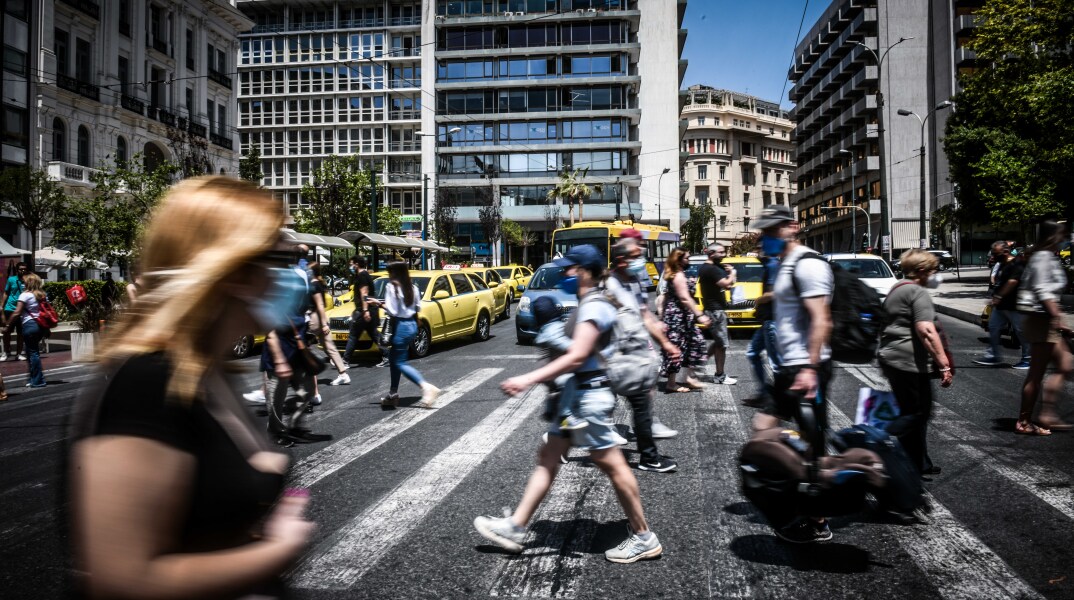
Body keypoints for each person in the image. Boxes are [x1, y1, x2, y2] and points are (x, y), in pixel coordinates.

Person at [66, 177, 315, 599]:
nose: (293, 275)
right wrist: (279, 550)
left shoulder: (211, 370)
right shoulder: (147, 382)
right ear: (236, 270)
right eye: (279, 257)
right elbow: (124, 579)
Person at [475, 244, 663, 563]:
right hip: (576, 397)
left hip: (589, 397)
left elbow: (577, 356)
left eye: (570, 268)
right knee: (548, 456)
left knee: (614, 465)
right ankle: (516, 527)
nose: (565, 273)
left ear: (585, 271)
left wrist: (528, 379)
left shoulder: (594, 306)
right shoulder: (589, 302)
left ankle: (644, 536)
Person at [754, 204, 834, 544]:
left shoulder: (809, 264)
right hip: (789, 367)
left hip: (806, 368)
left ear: (793, 227)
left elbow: (821, 319)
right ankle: (794, 499)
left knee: (810, 443)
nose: (767, 237)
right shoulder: (786, 263)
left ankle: (817, 518)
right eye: (765, 231)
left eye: (774, 230)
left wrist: (810, 368)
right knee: (767, 432)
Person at [606, 238, 681, 472]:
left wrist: (666, 344)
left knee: (639, 404)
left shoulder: (635, 281)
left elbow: (645, 315)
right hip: (614, 359)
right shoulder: (609, 286)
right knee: (601, 407)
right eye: (636, 255)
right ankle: (648, 457)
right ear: (621, 260)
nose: (641, 260)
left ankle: (648, 456)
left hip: (631, 359)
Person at [878, 249, 953, 484]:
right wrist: (943, 364)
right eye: (933, 270)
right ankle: (882, 448)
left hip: (896, 359)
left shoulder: (898, 287)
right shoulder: (917, 291)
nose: (935, 275)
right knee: (916, 414)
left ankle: (920, 462)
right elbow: (926, 330)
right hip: (906, 361)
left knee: (916, 413)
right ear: (921, 272)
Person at [261, 249, 329, 447]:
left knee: (307, 391)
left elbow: (307, 308)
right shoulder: (273, 282)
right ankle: (275, 431)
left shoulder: (298, 278)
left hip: (297, 345)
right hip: (280, 347)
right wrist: (279, 358)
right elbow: (270, 324)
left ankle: (294, 425)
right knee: (277, 395)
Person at [1015, 221, 1073, 435]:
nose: (1065, 238)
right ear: (1052, 236)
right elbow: (1042, 290)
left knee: (1066, 363)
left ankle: (1047, 413)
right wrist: (1059, 318)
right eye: (1062, 235)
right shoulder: (1042, 257)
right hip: (1041, 319)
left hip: (1046, 318)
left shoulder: (1048, 257)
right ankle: (1024, 421)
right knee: (1036, 372)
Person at [380, 262, 440, 408]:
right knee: (395, 359)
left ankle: (426, 387)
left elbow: (392, 311)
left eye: (390, 273)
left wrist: (379, 304)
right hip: (412, 326)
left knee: (399, 362)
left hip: (400, 326)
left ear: (395, 274)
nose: (389, 276)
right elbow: (417, 307)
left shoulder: (392, 287)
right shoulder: (413, 288)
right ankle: (393, 393)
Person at [659, 247, 711, 393]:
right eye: (687, 258)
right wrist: (700, 315)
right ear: (679, 260)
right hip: (677, 318)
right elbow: (684, 298)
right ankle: (671, 383)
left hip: (682, 317)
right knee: (676, 349)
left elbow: (668, 296)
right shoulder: (678, 276)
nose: (689, 260)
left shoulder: (679, 274)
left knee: (696, 343)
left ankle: (689, 377)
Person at [975, 243, 1031, 369]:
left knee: (1021, 332)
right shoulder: (1002, 264)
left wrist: (999, 296)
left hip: (1015, 305)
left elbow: (1013, 282)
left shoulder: (1017, 263)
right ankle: (994, 356)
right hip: (1001, 306)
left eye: (996, 254)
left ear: (1006, 251)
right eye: (993, 253)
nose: (994, 256)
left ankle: (1028, 359)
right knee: (993, 327)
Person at [743, 253, 782, 407]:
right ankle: (765, 393)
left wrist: (758, 301)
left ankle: (781, 399)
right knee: (752, 353)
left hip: (772, 320)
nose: (757, 252)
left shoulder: (772, 265)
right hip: (767, 320)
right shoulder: (768, 266)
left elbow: (774, 293)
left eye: (760, 248)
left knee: (776, 363)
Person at [697, 243, 737, 385]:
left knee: (719, 342)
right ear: (711, 253)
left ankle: (699, 364)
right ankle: (719, 375)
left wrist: (729, 274)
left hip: (715, 309)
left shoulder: (712, 267)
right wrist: (732, 273)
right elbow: (727, 284)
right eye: (721, 252)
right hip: (715, 310)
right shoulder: (711, 269)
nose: (724, 254)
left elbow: (730, 284)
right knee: (721, 345)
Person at [307, 262, 350, 386]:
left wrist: (324, 323)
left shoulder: (314, 285)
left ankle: (299, 374)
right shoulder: (319, 283)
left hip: (315, 318)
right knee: (329, 347)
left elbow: (320, 305)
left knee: (300, 343)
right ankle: (343, 374)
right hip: (320, 317)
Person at [2, 273, 48, 387]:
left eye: (25, 282)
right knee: (32, 352)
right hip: (40, 326)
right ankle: (34, 379)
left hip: (29, 325)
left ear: (29, 283)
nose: (23, 284)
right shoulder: (42, 295)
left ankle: (38, 381)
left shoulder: (25, 295)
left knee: (33, 353)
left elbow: (17, 312)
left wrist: (7, 325)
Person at [344, 256, 389, 368]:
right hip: (369, 310)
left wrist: (365, 310)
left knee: (353, 335)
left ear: (357, 264)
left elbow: (364, 294)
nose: (351, 266)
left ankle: (345, 361)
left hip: (364, 310)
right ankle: (387, 355)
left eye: (352, 264)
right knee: (373, 333)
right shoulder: (364, 275)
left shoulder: (362, 276)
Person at [0, 262, 28, 361]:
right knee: (6, 332)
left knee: (21, 333)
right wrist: (1, 306)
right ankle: (5, 353)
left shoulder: (28, 280)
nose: (23, 270)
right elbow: (6, 293)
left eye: (24, 269)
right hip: (10, 309)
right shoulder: (11, 279)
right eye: (21, 269)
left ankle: (19, 354)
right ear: (17, 270)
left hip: (22, 310)